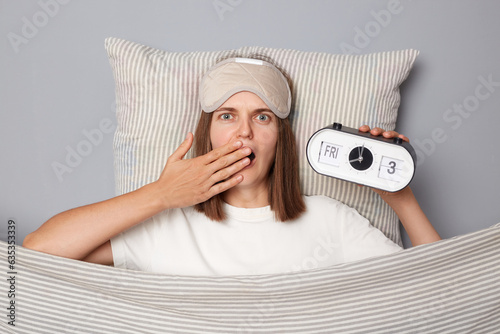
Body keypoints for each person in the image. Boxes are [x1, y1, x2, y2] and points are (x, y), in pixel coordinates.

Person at [23, 57, 441, 276]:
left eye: (262, 117)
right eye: (227, 116)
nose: (244, 134)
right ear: (208, 133)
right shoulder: (167, 226)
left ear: (281, 139)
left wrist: (399, 198)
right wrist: (160, 195)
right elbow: (38, 253)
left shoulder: (331, 222)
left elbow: (439, 289)